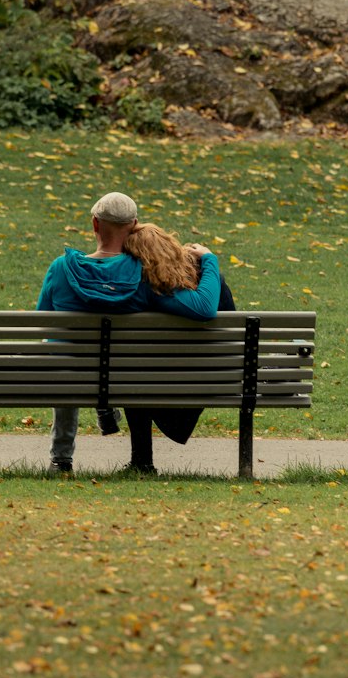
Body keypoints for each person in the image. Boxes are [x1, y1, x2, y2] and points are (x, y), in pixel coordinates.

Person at [36, 192, 220, 474]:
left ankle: (62, 460)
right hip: (124, 374)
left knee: (61, 351)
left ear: (95, 225)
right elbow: (203, 309)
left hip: (69, 372)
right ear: (134, 224)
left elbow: (44, 323)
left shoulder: (60, 269)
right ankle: (105, 403)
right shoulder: (145, 275)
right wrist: (208, 261)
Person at [119, 222, 236, 475]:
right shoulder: (211, 284)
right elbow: (233, 342)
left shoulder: (140, 292)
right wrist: (209, 260)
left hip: (152, 384)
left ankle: (142, 462)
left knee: (131, 370)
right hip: (213, 379)